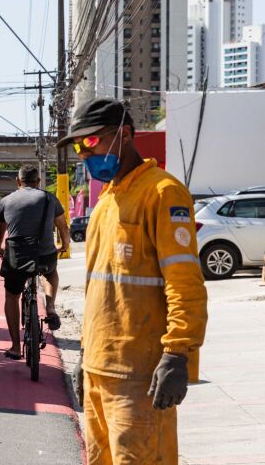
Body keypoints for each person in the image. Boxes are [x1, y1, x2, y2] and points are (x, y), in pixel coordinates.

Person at [61, 98, 208, 464]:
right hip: (99, 368)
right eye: (79, 146)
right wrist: (85, 354)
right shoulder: (106, 202)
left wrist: (178, 352)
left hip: (140, 373)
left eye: (91, 142)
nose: (83, 154)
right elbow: (98, 288)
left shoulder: (162, 192)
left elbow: (184, 280)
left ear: (124, 135)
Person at [0, 165, 69, 361]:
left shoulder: (6, 201)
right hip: (44, 254)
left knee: (11, 295)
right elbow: (62, 225)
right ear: (38, 182)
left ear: (18, 182)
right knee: (50, 273)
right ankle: (50, 306)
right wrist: (65, 244)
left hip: (17, 257)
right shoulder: (49, 198)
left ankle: (16, 347)